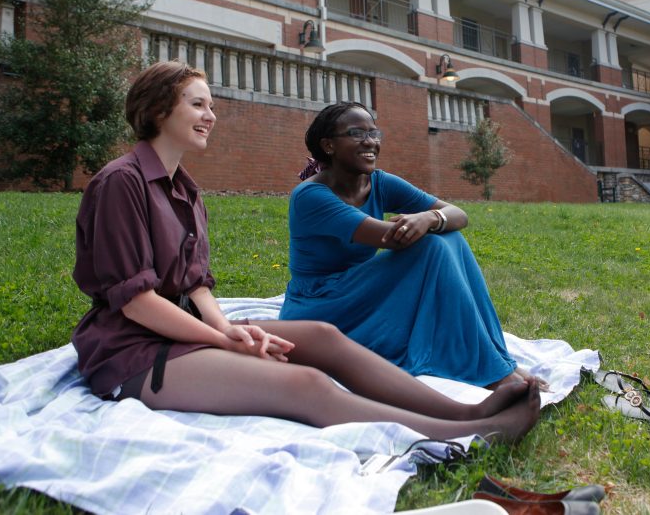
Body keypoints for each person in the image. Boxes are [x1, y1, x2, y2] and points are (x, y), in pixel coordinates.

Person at [70, 61, 539, 443]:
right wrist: (222, 339)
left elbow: (195, 284)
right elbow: (136, 301)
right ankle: (470, 433)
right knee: (307, 383)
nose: (211, 115)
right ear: (157, 112)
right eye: (198, 104)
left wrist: (227, 327)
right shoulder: (121, 183)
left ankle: (467, 409)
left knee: (323, 337)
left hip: (187, 333)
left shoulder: (186, 190)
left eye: (211, 105)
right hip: (133, 353)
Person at [281, 101, 537, 389]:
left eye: (374, 133)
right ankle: (492, 371)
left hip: (359, 290)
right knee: (432, 247)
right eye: (356, 133)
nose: (370, 142)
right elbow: (389, 238)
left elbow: (458, 215)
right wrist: (428, 222)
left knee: (449, 236)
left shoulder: (377, 182)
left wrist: (431, 217)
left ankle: (496, 357)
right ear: (328, 145)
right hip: (321, 305)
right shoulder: (311, 196)